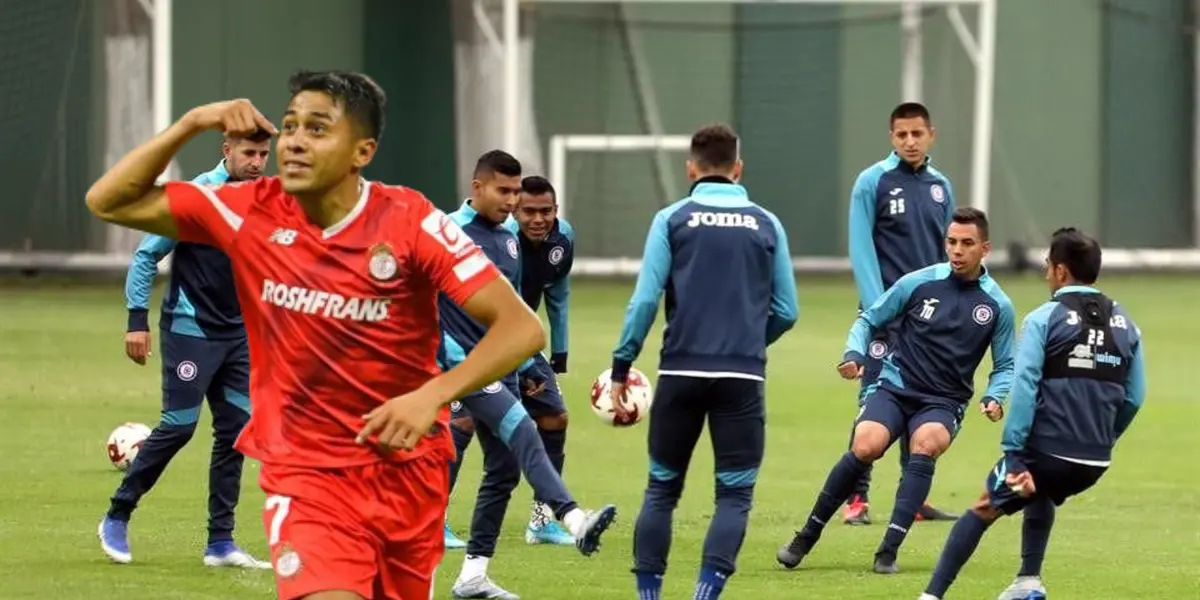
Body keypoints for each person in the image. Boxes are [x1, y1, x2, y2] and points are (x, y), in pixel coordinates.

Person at [86, 70, 548, 600]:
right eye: (289, 126)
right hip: (306, 476)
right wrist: (192, 123)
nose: (296, 141)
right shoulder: (248, 210)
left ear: (362, 151)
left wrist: (432, 395)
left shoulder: (410, 221)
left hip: (408, 473)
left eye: (318, 128)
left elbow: (520, 328)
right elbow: (108, 200)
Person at [612, 124, 799, 600]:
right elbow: (787, 311)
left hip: (679, 373)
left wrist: (622, 364)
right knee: (733, 496)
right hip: (741, 377)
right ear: (738, 168)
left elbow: (643, 303)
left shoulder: (671, 219)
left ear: (691, 168)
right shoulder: (767, 223)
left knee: (661, 491)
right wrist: (750, 345)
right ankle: (704, 596)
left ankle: (649, 596)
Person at [777, 207, 1015, 575]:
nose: (956, 250)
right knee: (865, 445)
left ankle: (888, 550)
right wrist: (853, 354)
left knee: (927, 443)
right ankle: (806, 535)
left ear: (985, 249)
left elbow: (1005, 365)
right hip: (896, 386)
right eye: (951, 242)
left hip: (943, 401)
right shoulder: (918, 283)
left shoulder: (997, 305)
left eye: (966, 244)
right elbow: (870, 319)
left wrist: (994, 396)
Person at [917, 227, 1146, 600]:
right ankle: (1027, 581)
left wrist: (1014, 453)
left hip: (1047, 453)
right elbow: (1135, 396)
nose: (1045, 274)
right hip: (1094, 460)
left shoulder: (1044, 318)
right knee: (1039, 491)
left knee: (983, 507)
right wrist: (1106, 436)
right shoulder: (1126, 323)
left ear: (1059, 271)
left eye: (1046, 266)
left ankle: (930, 596)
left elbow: (1024, 385)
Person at [440, 151, 615, 600]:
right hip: (463, 365)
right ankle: (573, 518)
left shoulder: (507, 239)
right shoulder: (447, 233)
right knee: (523, 433)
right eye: (504, 191)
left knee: (503, 470)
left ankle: (472, 576)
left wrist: (525, 361)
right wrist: (450, 358)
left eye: (516, 192)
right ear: (477, 187)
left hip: (503, 365)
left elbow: (512, 310)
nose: (511, 201)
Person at [99, 133, 271, 569]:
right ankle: (117, 514)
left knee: (236, 433)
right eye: (248, 153)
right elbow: (145, 256)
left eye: (263, 154)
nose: (257, 162)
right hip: (190, 327)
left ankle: (220, 543)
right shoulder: (197, 197)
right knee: (179, 427)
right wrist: (136, 321)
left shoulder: (266, 202)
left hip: (239, 337)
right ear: (226, 150)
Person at [443, 174, 578, 550]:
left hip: (518, 340)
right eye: (528, 211)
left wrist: (559, 356)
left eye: (546, 211)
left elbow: (559, 293)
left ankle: (542, 521)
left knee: (554, 416)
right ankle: (434, 521)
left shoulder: (562, 238)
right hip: (469, 343)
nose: (538, 219)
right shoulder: (491, 236)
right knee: (464, 420)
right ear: (513, 211)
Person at [844, 101, 959, 525]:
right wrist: (881, 311)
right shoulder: (871, 182)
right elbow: (861, 250)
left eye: (917, 134)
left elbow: (949, 254)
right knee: (874, 402)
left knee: (924, 401)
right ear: (892, 137)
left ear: (932, 134)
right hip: (883, 317)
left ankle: (912, 501)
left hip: (926, 319)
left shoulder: (941, 188)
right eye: (901, 135)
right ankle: (856, 500)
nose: (910, 141)